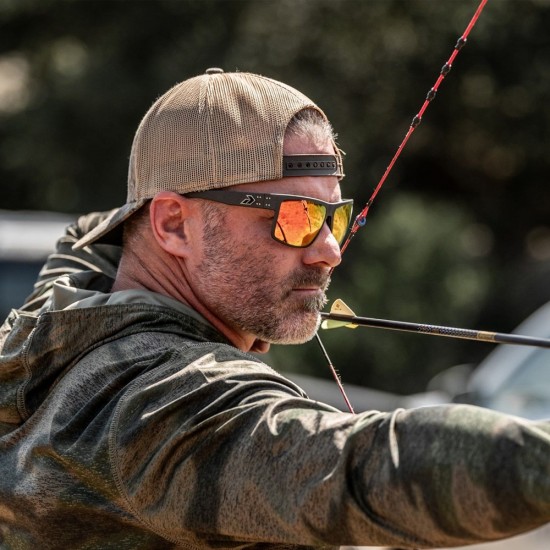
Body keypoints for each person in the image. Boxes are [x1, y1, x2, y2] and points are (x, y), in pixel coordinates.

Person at [0, 68, 549, 550]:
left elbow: (88, 235)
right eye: (294, 217)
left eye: (334, 216)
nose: (330, 250)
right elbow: (360, 468)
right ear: (172, 224)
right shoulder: (154, 408)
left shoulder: (69, 304)